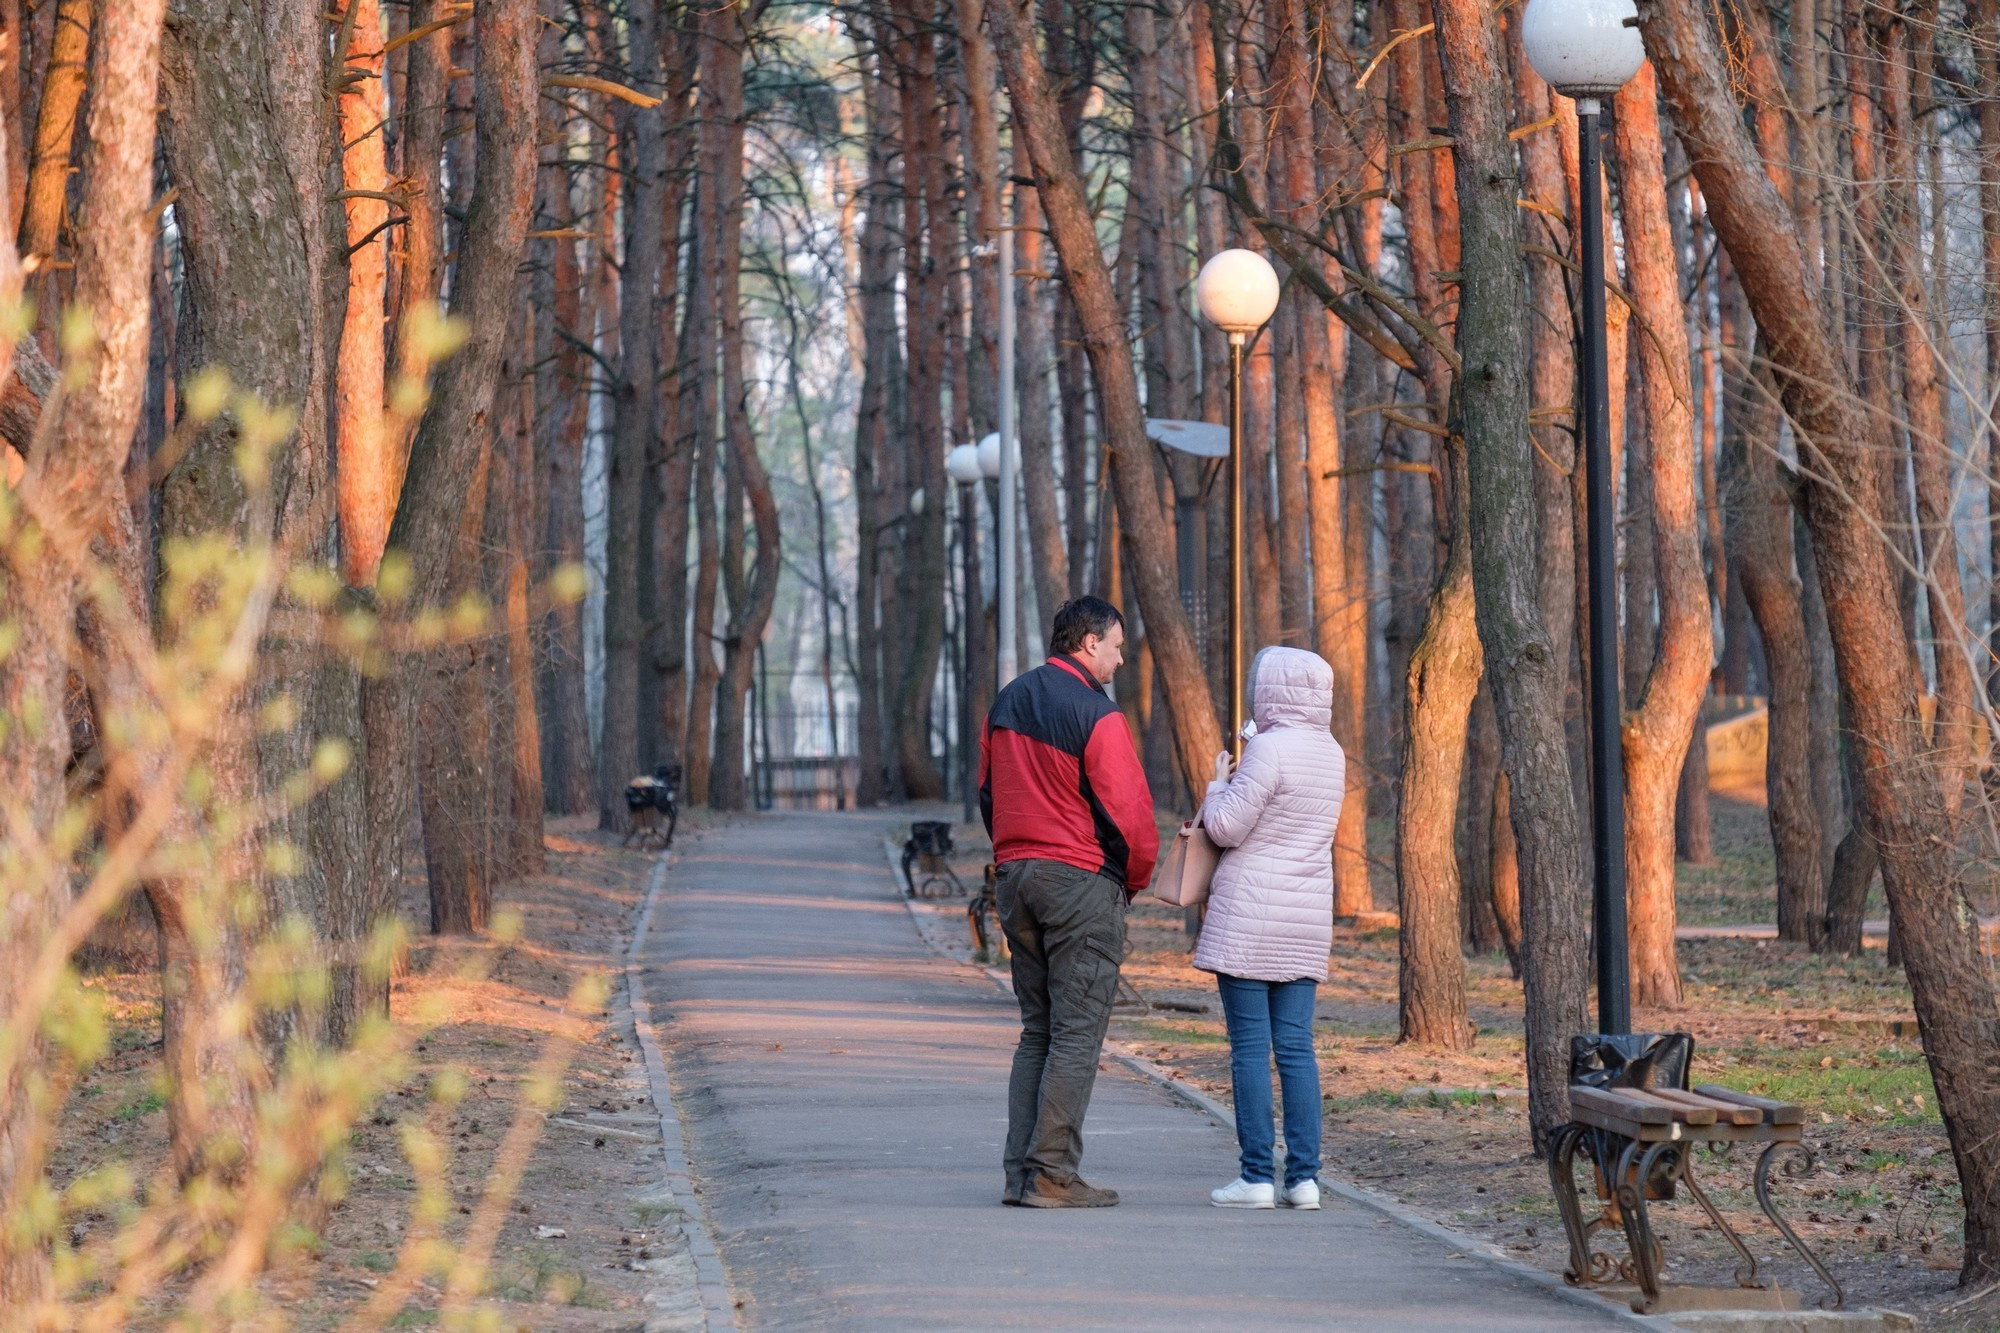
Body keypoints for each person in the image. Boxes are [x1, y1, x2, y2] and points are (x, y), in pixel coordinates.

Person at [979, 596, 1159, 1209]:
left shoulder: (1006, 701)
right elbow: (1129, 813)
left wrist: (1012, 856)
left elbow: (988, 793)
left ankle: (1020, 1176)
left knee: (1038, 1031)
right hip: (1078, 880)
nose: (1120, 659)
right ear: (1088, 643)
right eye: (1116, 647)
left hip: (1015, 875)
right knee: (1076, 1034)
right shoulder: (1096, 712)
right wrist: (1130, 880)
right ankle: (1052, 1174)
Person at [1194, 646, 1345, 1210]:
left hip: (1250, 917)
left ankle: (1257, 1177)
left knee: (1251, 1051)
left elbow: (1226, 828)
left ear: (1271, 690)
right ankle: (1304, 1180)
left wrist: (1217, 785)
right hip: (1304, 917)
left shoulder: (1268, 749)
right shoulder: (1332, 752)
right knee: (1297, 1050)